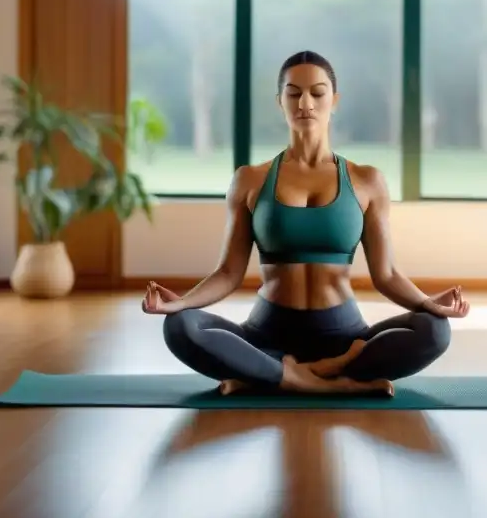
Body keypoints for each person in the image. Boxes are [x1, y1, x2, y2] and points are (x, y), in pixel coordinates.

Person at [142, 50, 470, 396]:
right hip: (266, 335)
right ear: (280, 100)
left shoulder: (366, 180)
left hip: (346, 337)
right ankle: (321, 379)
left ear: (335, 100)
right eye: (293, 92)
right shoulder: (251, 180)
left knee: (435, 330)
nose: (305, 103)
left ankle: (273, 374)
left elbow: (386, 275)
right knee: (180, 326)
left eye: (317, 92)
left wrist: (427, 303)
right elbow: (228, 273)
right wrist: (179, 303)